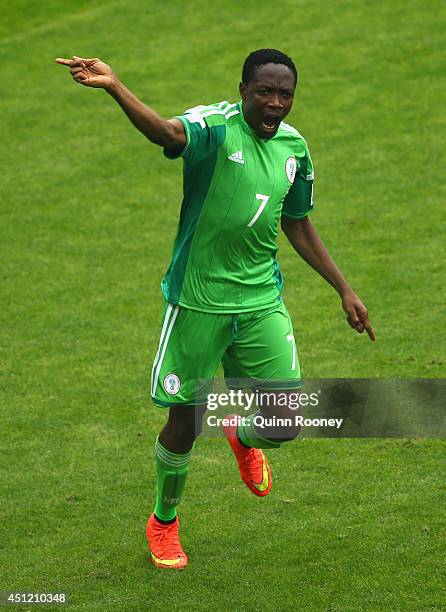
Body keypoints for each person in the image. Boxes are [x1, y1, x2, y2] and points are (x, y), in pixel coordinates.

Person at [56, 48, 375, 570]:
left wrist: (343, 287)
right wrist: (115, 86)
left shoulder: (295, 148)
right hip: (199, 303)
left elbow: (297, 221)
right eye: (265, 92)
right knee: (183, 424)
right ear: (244, 89)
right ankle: (164, 522)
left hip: (259, 302)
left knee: (284, 423)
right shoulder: (216, 126)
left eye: (286, 94)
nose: (276, 104)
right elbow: (168, 134)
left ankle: (239, 431)